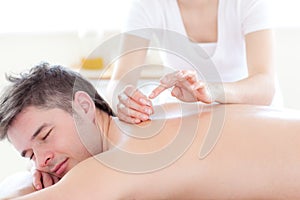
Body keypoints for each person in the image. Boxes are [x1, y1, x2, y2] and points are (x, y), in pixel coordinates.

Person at [1, 63, 300, 199]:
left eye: (44, 136)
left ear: (83, 106)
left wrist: (29, 181)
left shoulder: (121, 159)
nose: (42, 162)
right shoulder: (155, 118)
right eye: (29, 155)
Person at [106, 0, 282, 124]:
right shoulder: (146, 5)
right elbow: (119, 81)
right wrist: (123, 101)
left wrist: (212, 91)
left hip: (251, 116)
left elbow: (265, 86)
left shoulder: (249, 3)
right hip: (189, 122)